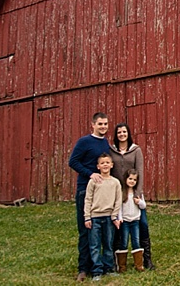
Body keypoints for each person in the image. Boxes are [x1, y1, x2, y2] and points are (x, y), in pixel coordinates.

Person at [69, 112, 111, 282]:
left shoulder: (105, 143)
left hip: (101, 192)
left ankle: (100, 266)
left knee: (100, 230)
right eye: (100, 124)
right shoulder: (84, 141)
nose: (103, 127)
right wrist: (90, 174)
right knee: (85, 229)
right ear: (93, 125)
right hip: (85, 190)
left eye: (106, 124)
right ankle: (83, 268)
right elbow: (73, 162)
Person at [109, 123, 156, 270]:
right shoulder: (112, 151)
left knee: (142, 224)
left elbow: (140, 172)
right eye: (119, 132)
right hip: (117, 195)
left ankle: (146, 259)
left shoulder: (136, 150)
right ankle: (117, 261)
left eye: (124, 132)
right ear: (116, 135)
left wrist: (137, 194)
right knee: (118, 225)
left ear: (128, 134)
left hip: (133, 194)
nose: (122, 134)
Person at [84, 152, 123, 279]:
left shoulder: (115, 182)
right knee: (95, 245)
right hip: (95, 217)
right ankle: (97, 271)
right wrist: (87, 217)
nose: (105, 165)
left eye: (107, 162)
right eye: (102, 163)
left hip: (109, 218)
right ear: (98, 166)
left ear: (112, 165)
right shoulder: (93, 181)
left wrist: (114, 216)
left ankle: (109, 268)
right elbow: (88, 199)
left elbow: (118, 200)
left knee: (108, 244)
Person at [115, 169, 147, 272]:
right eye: (130, 179)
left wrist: (139, 202)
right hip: (125, 221)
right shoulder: (122, 193)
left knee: (136, 241)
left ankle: (139, 265)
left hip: (135, 221)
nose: (132, 181)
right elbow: (119, 207)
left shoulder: (138, 193)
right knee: (124, 242)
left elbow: (143, 206)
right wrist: (119, 218)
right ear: (125, 179)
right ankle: (122, 266)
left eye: (134, 180)